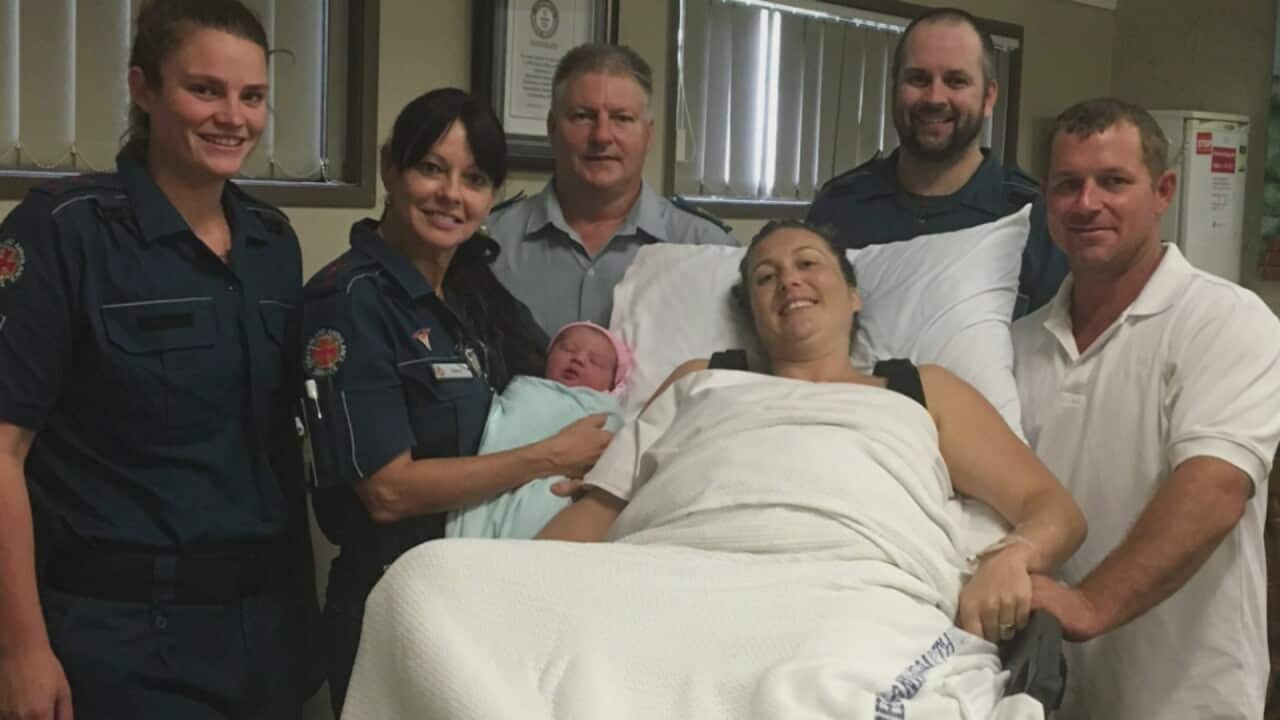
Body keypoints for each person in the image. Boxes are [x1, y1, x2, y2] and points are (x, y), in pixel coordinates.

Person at [541, 219, 1086, 646]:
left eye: (808, 263)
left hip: (854, 601)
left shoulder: (921, 390)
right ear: (752, 311)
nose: (789, 280)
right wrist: (511, 584)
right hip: (669, 584)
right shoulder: (700, 379)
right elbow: (596, 515)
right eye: (765, 276)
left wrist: (1009, 558)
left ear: (854, 296)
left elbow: (1054, 510)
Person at [0, 1, 318, 718]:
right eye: (204, 89)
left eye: (253, 96)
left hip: (260, 632)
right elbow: (2, 451)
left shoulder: (272, 243)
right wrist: (19, 649)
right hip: (116, 636)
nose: (232, 116)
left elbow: (275, 449)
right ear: (144, 90)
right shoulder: (62, 234)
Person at [300, 87, 615, 714]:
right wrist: (549, 456)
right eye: (431, 168)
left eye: (474, 179)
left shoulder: (472, 297)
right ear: (391, 166)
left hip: (484, 596)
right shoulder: (349, 302)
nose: (452, 194)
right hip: (395, 599)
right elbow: (388, 492)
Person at [1012, 98, 1280, 720]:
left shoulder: (1227, 322)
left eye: (1113, 181)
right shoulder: (1018, 345)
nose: (1087, 203)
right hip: (1050, 695)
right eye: (1067, 185)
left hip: (1188, 697)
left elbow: (1214, 489)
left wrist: (1090, 606)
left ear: (1162, 191)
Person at [806, 7, 1066, 318]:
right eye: (918, 79)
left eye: (956, 81)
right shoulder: (838, 206)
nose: (934, 98)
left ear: (989, 98)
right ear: (894, 88)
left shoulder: (1037, 218)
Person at [487, 43, 737, 335]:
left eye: (622, 118)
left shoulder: (708, 248)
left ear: (648, 134)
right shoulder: (491, 243)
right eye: (583, 116)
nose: (602, 136)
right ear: (552, 128)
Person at [446, 321, 631, 540]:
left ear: (612, 384)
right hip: (494, 474)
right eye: (568, 349)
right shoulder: (526, 389)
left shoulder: (603, 409)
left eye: (595, 361)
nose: (578, 359)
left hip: (554, 494)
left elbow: (617, 454)